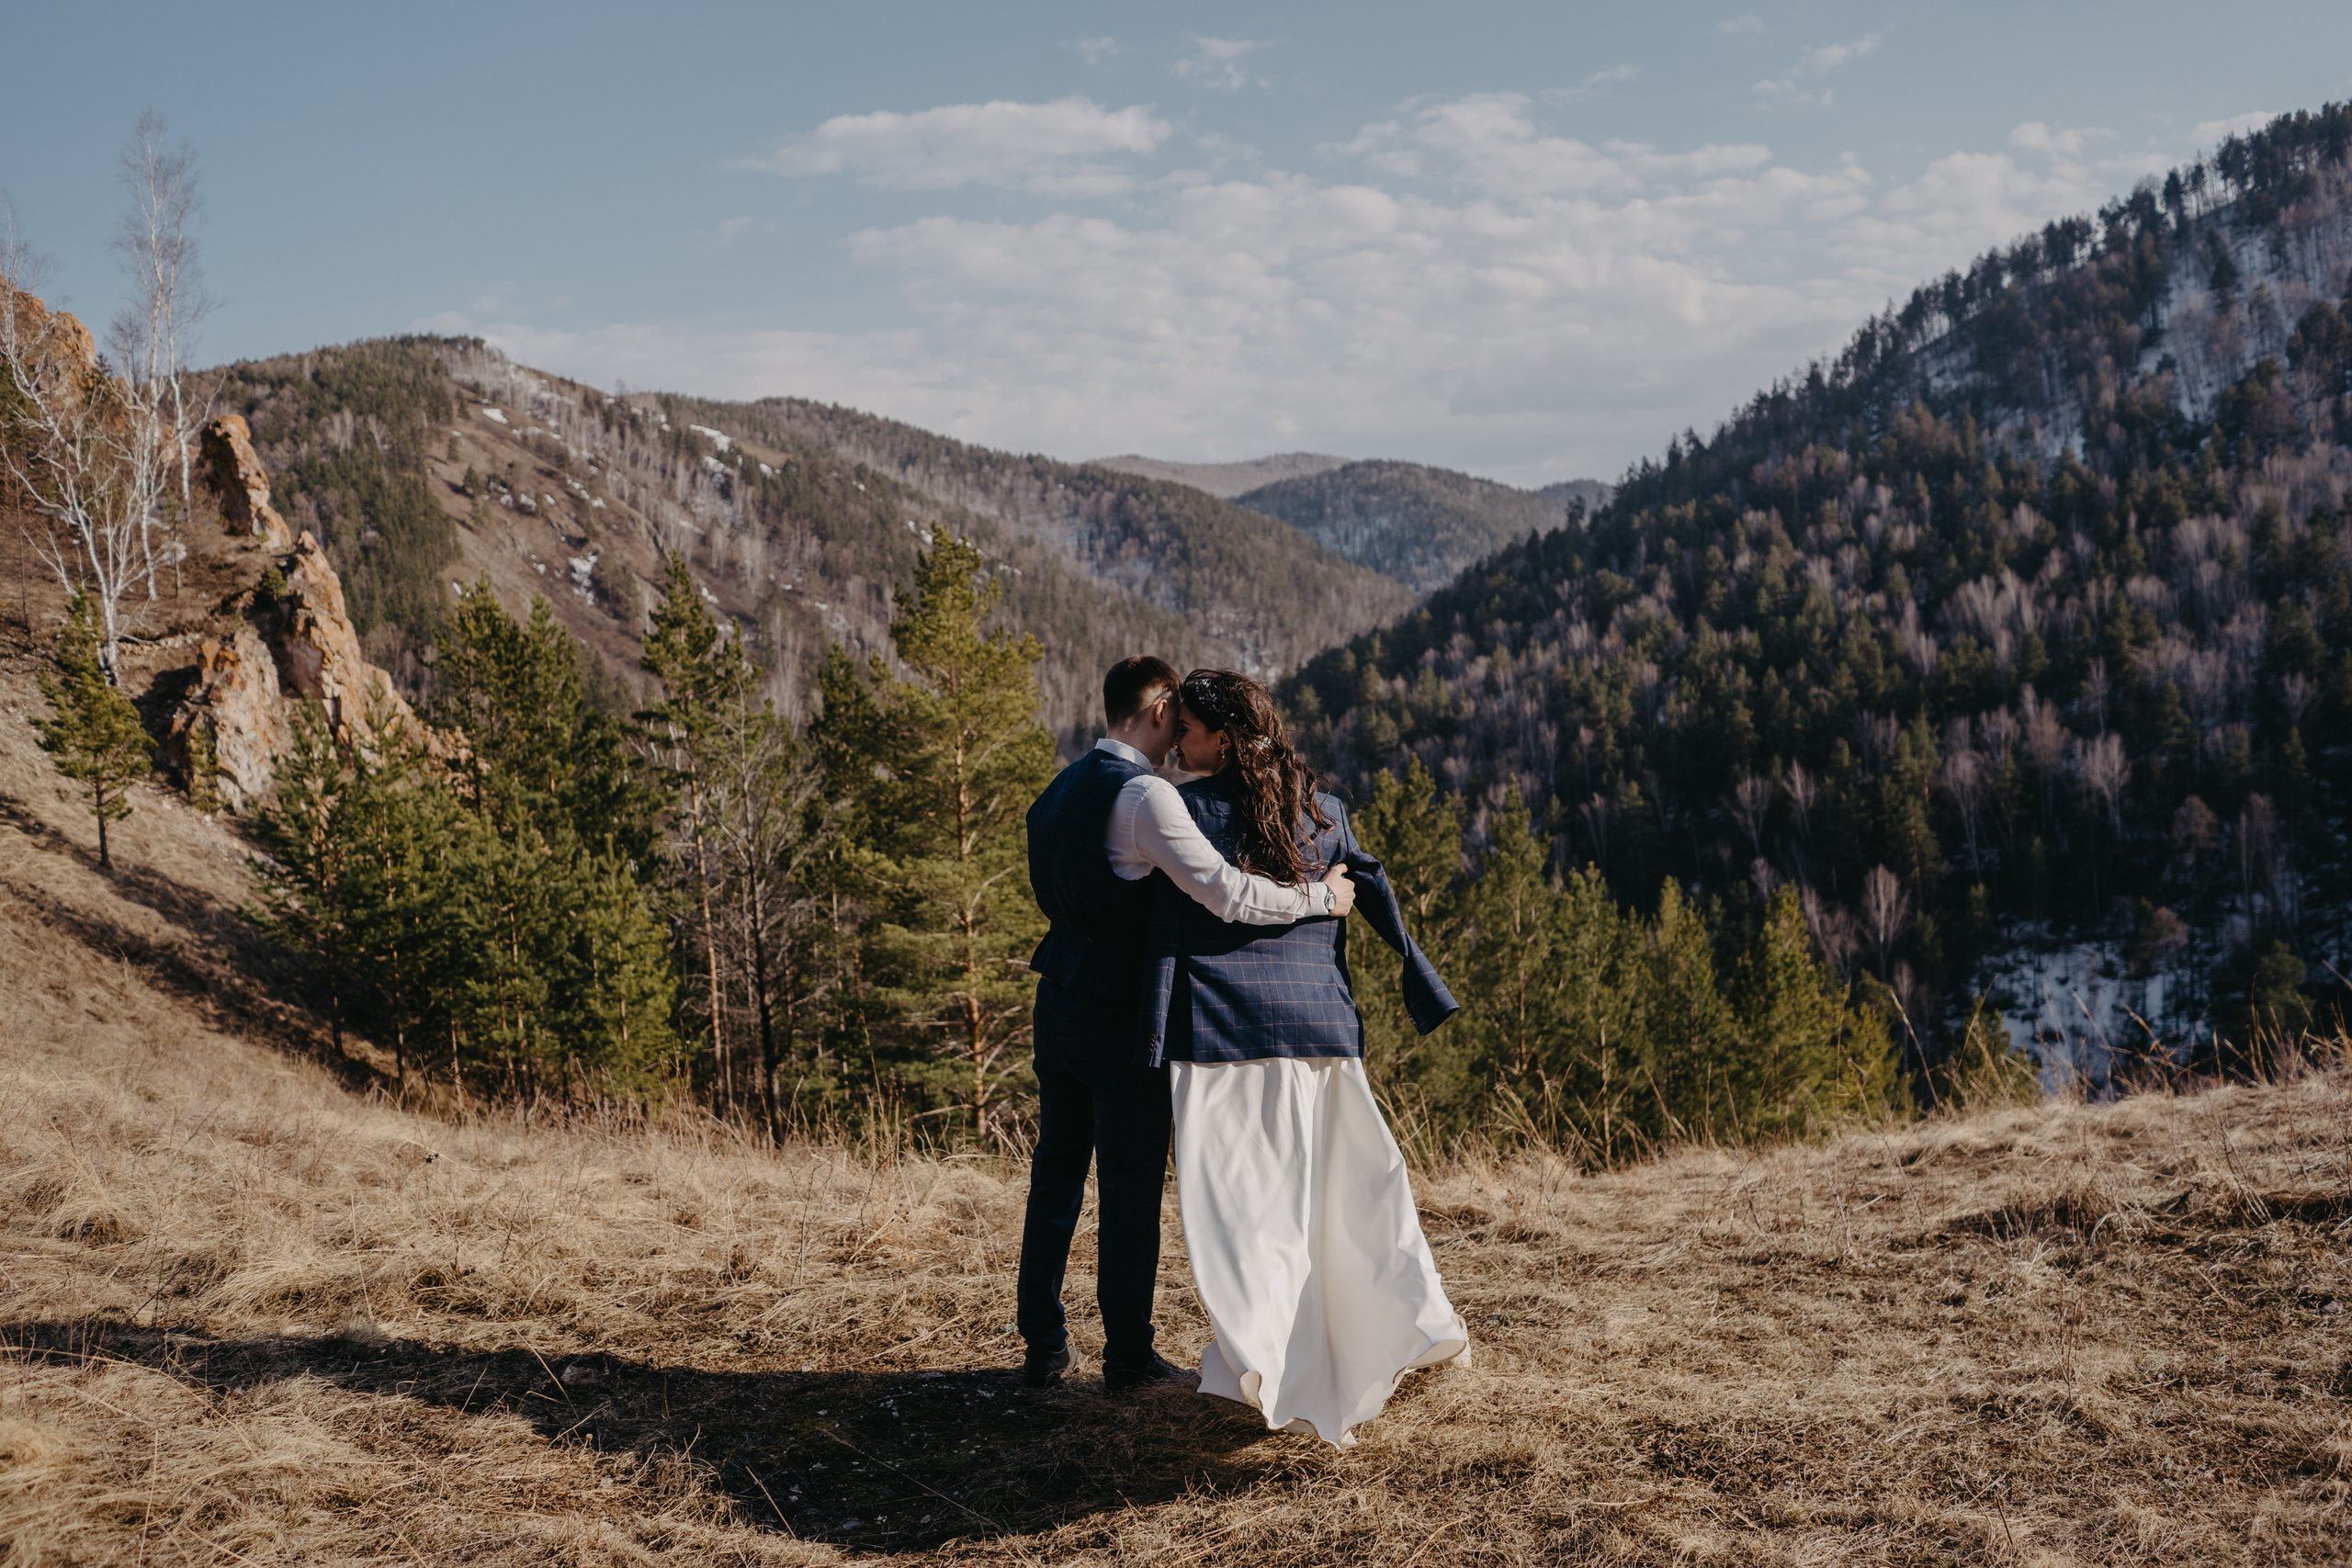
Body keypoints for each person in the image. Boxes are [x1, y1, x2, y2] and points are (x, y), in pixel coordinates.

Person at [1138, 667, 1467, 1446]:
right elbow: (1365, 895)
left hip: (1224, 1035)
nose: (1176, 744)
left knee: (1253, 1216)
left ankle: (1264, 1366)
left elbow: (1180, 918)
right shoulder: (1323, 812)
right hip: (1322, 1027)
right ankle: (1399, 1330)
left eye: (1184, 730)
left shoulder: (1178, 812)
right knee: (1353, 1200)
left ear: (1220, 737)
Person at [1019, 656, 1359, 1392]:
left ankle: (1043, 1343)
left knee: (1056, 1172)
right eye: (1180, 717)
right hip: (1120, 1014)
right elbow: (1230, 894)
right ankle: (1128, 1357)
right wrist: (1316, 900)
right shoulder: (1145, 797)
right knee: (1130, 1187)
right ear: (1161, 706)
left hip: (1058, 1002)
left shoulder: (1056, 790)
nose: (1181, 737)